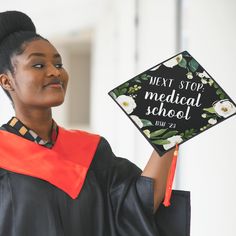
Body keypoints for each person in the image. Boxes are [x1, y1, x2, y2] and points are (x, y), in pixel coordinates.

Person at [0, 11, 190, 236]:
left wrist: (169, 132)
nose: (55, 72)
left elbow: (139, 206)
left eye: (58, 64)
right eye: (39, 65)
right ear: (6, 80)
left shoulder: (92, 150)